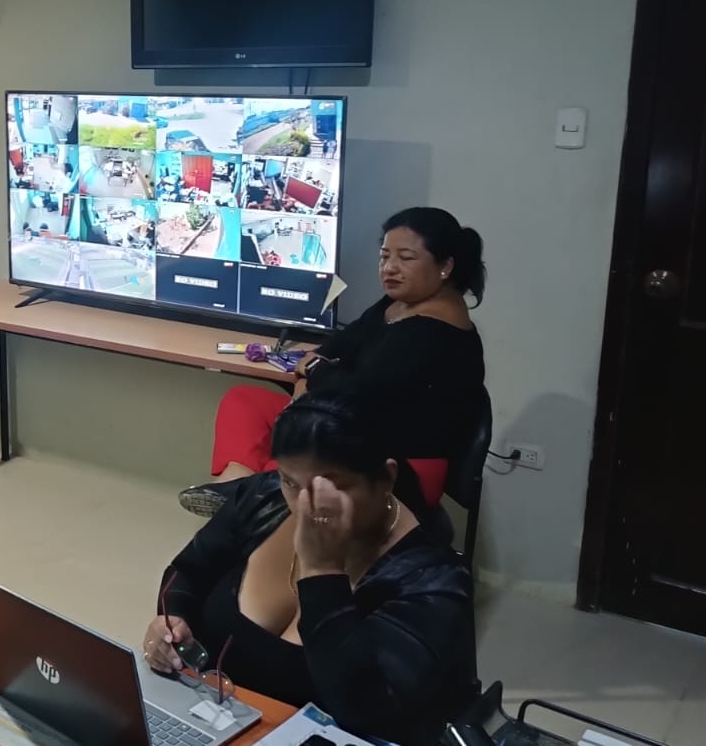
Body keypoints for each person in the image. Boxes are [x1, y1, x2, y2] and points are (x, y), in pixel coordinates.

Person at [143, 392, 474, 745]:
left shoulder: (433, 582)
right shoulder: (263, 498)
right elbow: (188, 573)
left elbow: (370, 713)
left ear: (386, 478)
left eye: (329, 487)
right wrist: (173, 623)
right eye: (289, 481)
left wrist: (321, 571)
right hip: (215, 723)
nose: (305, 506)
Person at [179, 206, 486, 517]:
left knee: (295, 450)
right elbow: (342, 342)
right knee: (245, 400)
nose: (390, 268)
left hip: (398, 466)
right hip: (352, 429)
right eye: (384, 256)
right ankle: (235, 484)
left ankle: (247, 500)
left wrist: (310, 378)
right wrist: (312, 373)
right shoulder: (400, 303)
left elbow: (353, 392)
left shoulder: (436, 332)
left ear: (445, 266)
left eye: (405, 258)